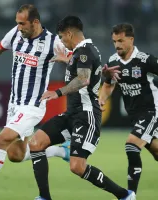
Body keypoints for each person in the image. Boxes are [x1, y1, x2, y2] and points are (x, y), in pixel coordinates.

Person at [0, 4, 70, 200]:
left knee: (1, 140)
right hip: (14, 104)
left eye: (22, 24)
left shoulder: (53, 42)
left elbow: (81, 61)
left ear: (35, 22)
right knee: (16, 155)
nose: (19, 27)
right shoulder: (16, 34)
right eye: (17, 23)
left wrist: (68, 61)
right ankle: (61, 151)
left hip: (33, 106)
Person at [28, 16, 136, 200]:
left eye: (62, 37)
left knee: (77, 166)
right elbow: (87, 69)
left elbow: (83, 79)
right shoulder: (82, 52)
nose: (62, 42)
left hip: (86, 116)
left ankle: (124, 195)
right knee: (36, 143)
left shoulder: (85, 51)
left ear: (69, 33)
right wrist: (68, 60)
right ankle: (44, 197)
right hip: (71, 114)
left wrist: (58, 93)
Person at [99, 23, 158, 195]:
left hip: (152, 111)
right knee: (155, 150)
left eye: (121, 41)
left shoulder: (145, 60)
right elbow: (108, 85)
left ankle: (130, 195)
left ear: (131, 40)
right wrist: (102, 99)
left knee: (132, 145)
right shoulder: (113, 62)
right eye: (114, 41)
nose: (117, 45)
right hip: (135, 116)